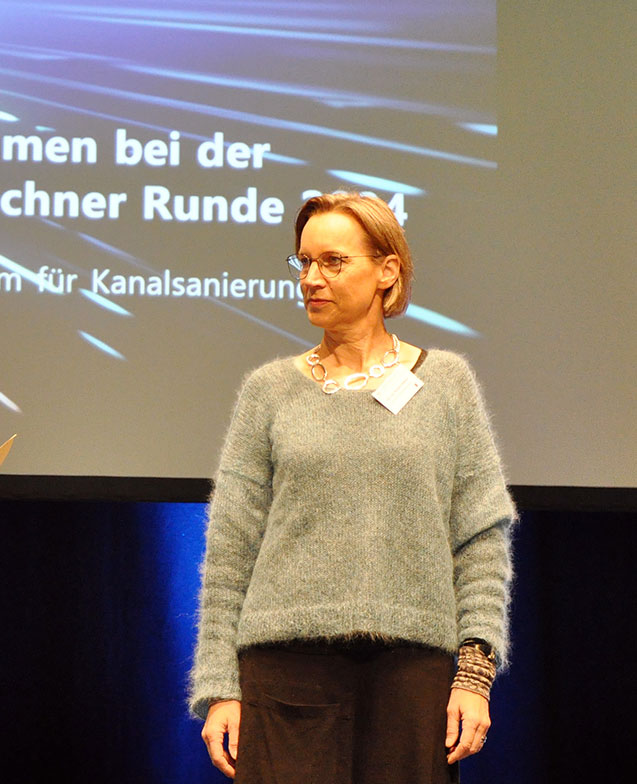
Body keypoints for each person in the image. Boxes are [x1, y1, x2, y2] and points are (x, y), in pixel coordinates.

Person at [189, 193, 514, 783]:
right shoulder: (269, 390)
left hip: (412, 674)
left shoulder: (447, 383)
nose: (311, 279)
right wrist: (219, 686)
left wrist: (474, 676)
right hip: (284, 675)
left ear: (387, 270)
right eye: (304, 262)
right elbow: (231, 549)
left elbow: (480, 539)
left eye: (333, 262)